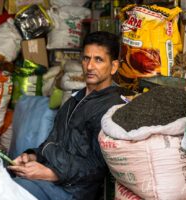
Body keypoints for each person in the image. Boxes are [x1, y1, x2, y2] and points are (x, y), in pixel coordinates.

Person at [8, 31, 126, 200]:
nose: (90, 66)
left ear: (113, 66)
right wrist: (32, 156)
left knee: (10, 192)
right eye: (86, 58)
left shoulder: (111, 108)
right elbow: (52, 142)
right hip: (53, 180)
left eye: (98, 60)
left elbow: (98, 168)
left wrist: (50, 173)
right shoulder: (74, 100)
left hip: (73, 191)